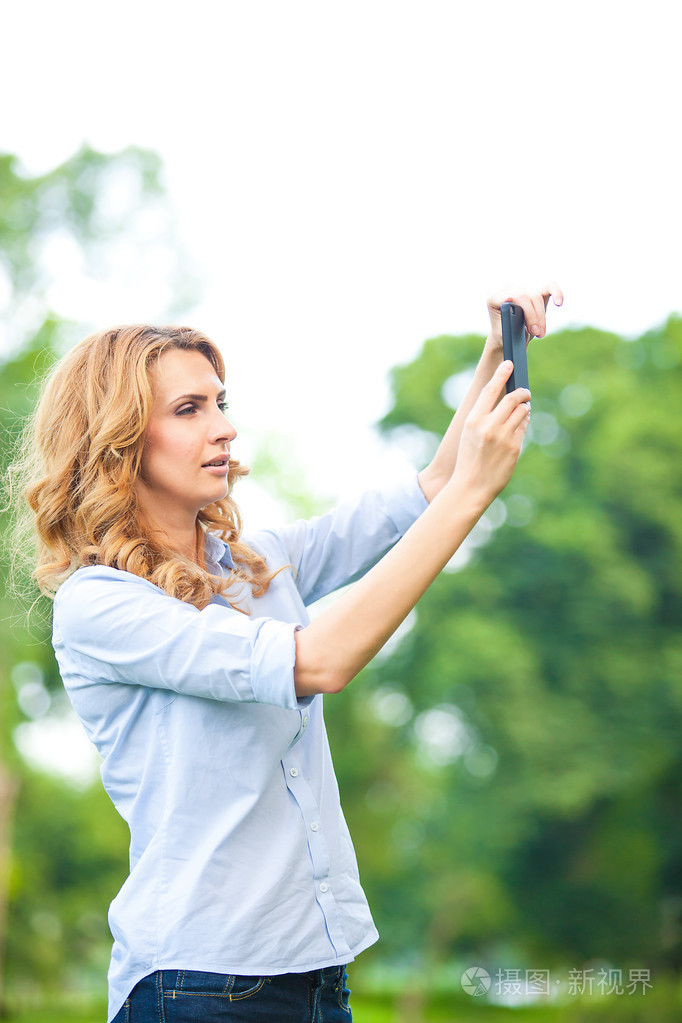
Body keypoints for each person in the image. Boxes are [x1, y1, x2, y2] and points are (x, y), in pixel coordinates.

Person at [15, 283, 562, 1022]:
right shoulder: (100, 605)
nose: (226, 427)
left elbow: (428, 489)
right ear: (116, 440)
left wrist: (496, 354)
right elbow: (320, 660)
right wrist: (474, 492)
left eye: (220, 401)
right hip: (199, 988)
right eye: (189, 409)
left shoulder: (253, 564)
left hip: (315, 974)